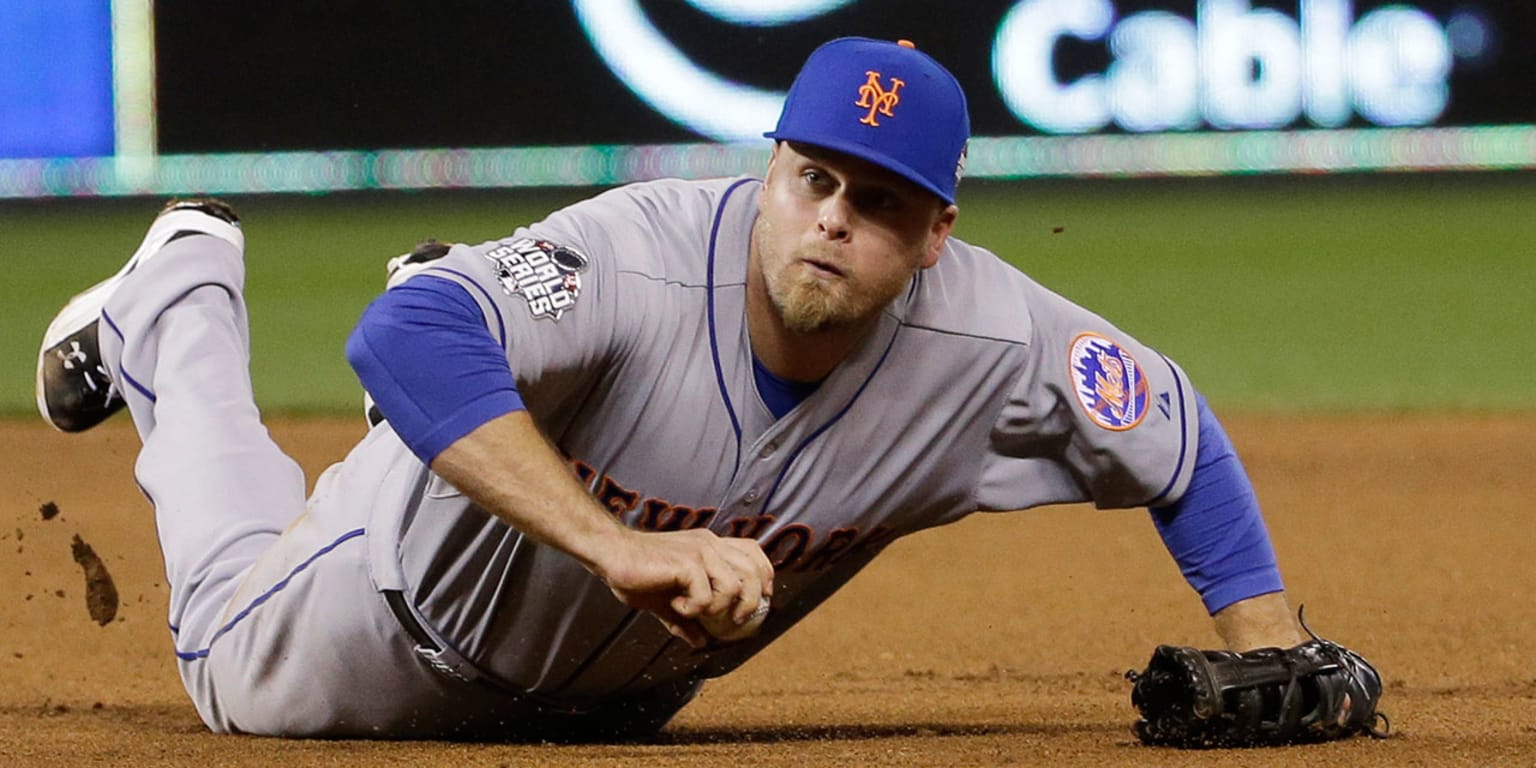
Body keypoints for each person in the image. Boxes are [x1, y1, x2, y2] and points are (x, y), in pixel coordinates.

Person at [37, 37, 1308, 740]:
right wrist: (615, 547)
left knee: (493, 359)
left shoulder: (997, 347)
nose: (830, 220)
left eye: (878, 203)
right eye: (813, 178)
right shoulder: (646, 254)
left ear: (936, 234)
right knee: (222, 631)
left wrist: (1274, 656)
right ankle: (181, 292)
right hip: (382, 621)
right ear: (768, 171)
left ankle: (508, 372)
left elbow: (1175, 435)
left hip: (615, 706)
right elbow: (401, 336)